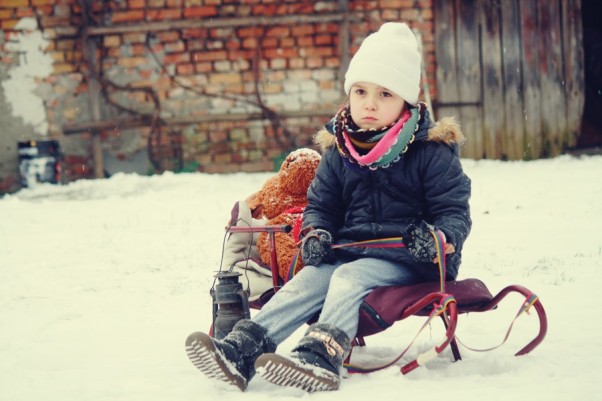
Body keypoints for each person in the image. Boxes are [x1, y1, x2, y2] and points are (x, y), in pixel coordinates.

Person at [185, 21, 471, 393]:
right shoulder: (339, 152)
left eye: (385, 94)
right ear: (349, 94)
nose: (369, 103)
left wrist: (438, 237)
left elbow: (454, 212)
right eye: (361, 91)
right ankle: (243, 348)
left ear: (406, 102)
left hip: (411, 257)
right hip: (349, 250)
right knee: (309, 280)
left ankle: (323, 354)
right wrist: (316, 231)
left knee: (349, 278)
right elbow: (322, 206)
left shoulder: (430, 152)